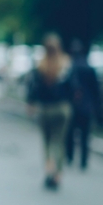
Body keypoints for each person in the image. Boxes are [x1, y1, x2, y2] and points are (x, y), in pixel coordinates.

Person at [26, 33, 73, 190]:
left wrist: (31, 104)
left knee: (47, 142)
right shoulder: (65, 65)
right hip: (62, 108)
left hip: (46, 108)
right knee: (59, 141)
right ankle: (58, 174)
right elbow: (74, 87)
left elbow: (34, 88)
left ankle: (49, 167)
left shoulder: (41, 66)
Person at [65, 39, 99, 169]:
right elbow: (95, 89)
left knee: (70, 134)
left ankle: (70, 156)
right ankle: (84, 161)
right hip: (87, 107)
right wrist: (96, 106)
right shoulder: (89, 67)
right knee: (85, 135)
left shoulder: (69, 68)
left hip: (72, 106)